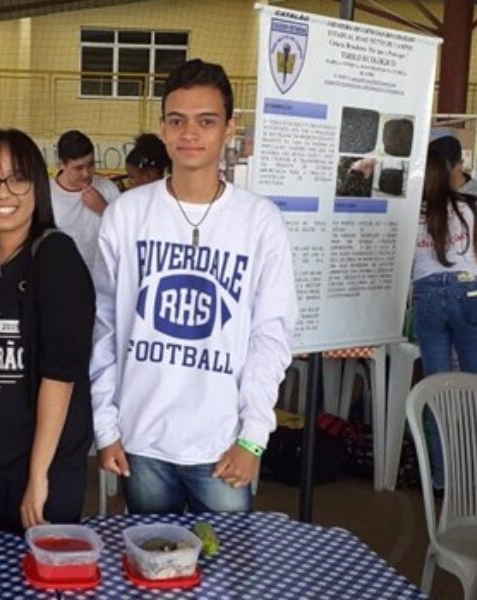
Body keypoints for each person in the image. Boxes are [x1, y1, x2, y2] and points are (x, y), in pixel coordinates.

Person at [90, 59, 297, 515]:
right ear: (163, 128)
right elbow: (103, 326)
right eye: (177, 120)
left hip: (222, 446)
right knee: (151, 572)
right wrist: (106, 426)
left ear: (229, 129)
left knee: (227, 577)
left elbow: (272, 332)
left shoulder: (259, 220)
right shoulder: (126, 214)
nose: (190, 134)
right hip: (142, 440)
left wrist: (253, 437)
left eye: (206, 121)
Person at [0, 128, 95, 533]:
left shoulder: (54, 256)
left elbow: (60, 376)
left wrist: (38, 477)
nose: (3, 192)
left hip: (44, 469)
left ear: (37, 185)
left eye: (17, 178)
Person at [411, 148, 477, 491]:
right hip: (469, 292)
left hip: (427, 295)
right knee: (476, 387)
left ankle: (440, 479)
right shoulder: (473, 207)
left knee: (436, 389)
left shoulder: (413, 211)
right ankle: (476, 476)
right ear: (453, 170)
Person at [50, 130, 121, 272]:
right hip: (59, 273)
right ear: (61, 164)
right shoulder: (46, 193)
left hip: (100, 276)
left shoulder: (107, 188)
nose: (86, 173)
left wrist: (104, 209)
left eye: (90, 164)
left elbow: (127, 232)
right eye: (78, 168)